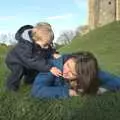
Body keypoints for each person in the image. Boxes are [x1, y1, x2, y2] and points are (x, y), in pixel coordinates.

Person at [31, 51, 120, 99]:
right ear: (69, 59)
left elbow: (115, 80)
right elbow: (37, 90)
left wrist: (102, 89)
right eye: (68, 65)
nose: (66, 72)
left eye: (72, 73)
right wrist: (71, 92)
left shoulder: (87, 70)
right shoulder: (52, 66)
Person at [5, 22, 62, 91]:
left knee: (32, 70)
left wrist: (53, 53)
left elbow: (47, 49)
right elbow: (32, 60)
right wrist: (49, 68)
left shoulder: (40, 41)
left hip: (27, 60)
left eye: (48, 44)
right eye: (45, 44)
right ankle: (11, 87)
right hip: (15, 60)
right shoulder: (25, 46)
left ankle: (29, 82)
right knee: (18, 71)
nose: (47, 47)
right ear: (35, 39)